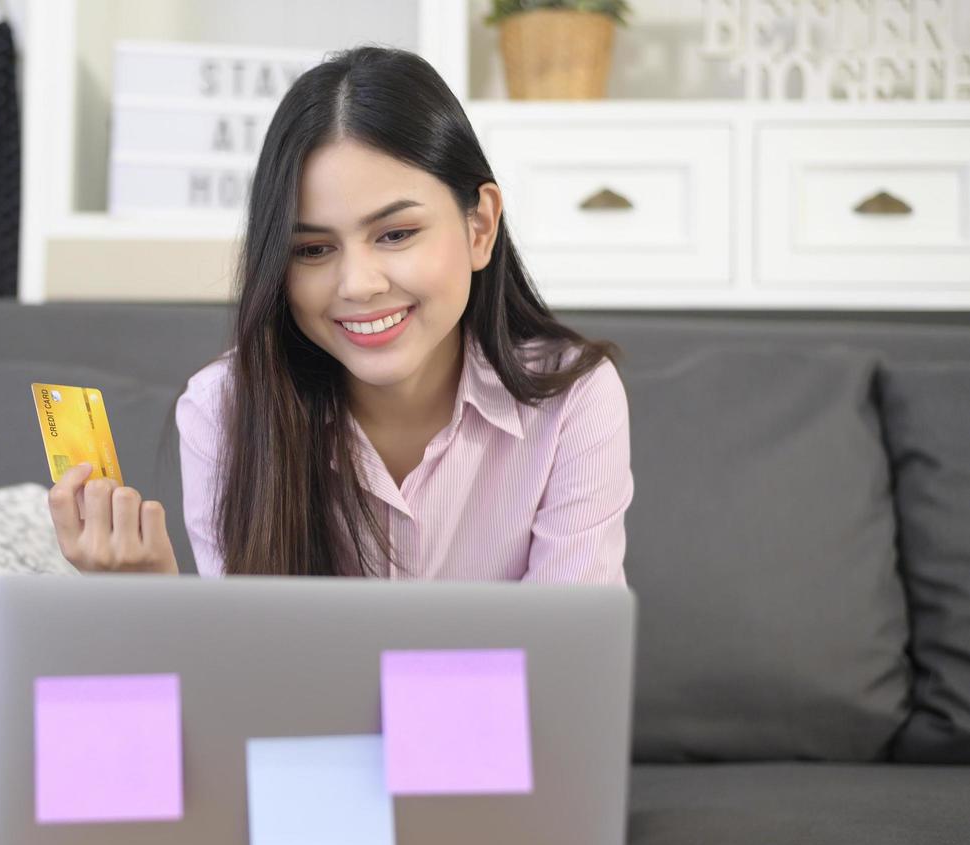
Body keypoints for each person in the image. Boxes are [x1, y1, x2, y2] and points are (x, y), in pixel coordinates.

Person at [48, 45, 631, 582]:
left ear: (479, 226)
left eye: (396, 234)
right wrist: (152, 601)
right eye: (313, 250)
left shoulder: (572, 401)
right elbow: (252, 677)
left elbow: (568, 670)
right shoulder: (222, 412)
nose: (357, 285)